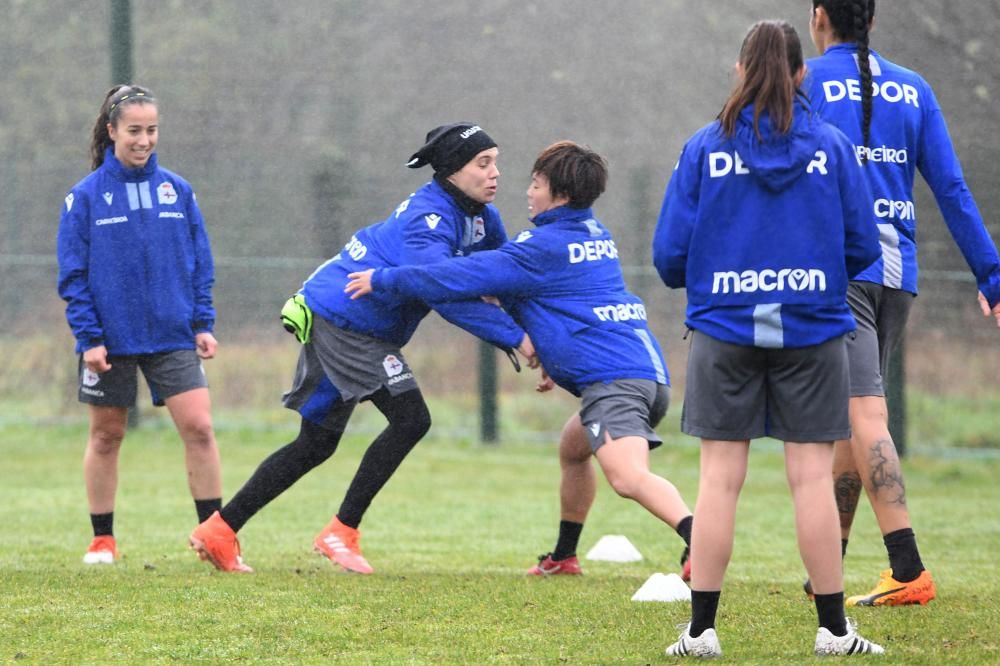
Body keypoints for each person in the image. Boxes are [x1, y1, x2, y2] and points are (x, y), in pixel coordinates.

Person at [189, 122, 533, 573]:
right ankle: (341, 531)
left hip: (351, 320)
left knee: (316, 444)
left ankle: (220, 530)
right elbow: (443, 292)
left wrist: (537, 337)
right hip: (347, 321)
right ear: (451, 170)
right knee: (411, 419)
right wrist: (516, 339)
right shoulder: (425, 219)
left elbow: (502, 279)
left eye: (496, 162)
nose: (495, 174)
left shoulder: (482, 218)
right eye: (482, 163)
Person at [345, 140, 694, 581]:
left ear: (559, 194)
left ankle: (698, 538)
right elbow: (547, 298)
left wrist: (385, 277)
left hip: (616, 384)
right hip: (642, 377)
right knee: (573, 451)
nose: (527, 192)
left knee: (627, 478)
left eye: (536, 183)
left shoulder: (541, 247)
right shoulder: (593, 234)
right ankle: (563, 557)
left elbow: (453, 275)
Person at [653, 21, 885, 657]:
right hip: (813, 330)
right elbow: (864, 246)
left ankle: (701, 632)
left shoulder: (704, 148)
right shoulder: (833, 147)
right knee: (810, 481)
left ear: (739, 70)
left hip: (723, 328)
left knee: (718, 482)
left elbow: (669, 256)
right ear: (801, 74)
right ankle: (835, 632)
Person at [803, 0, 1000, 607]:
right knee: (850, 421)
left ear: (818, 18)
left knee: (862, 417)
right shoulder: (914, 88)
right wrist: (990, 272)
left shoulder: (804, 82)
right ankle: (827, 569)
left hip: (838, 274)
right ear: (874, 21)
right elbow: (950, 186)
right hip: (897, 276)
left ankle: (907, 567)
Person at [57, 85, 224, 565]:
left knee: (201, 428)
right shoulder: (85, 198)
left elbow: (199, 261)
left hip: (172, 335)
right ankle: (102, 539)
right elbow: (73, 275)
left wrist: (202, 322)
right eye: (134, 130)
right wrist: (89, 337)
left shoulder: (178, 190)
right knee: (107, 436)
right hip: (110, 340)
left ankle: (213, 537)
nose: (144, 140)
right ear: (112, 132)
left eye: (151, 130)